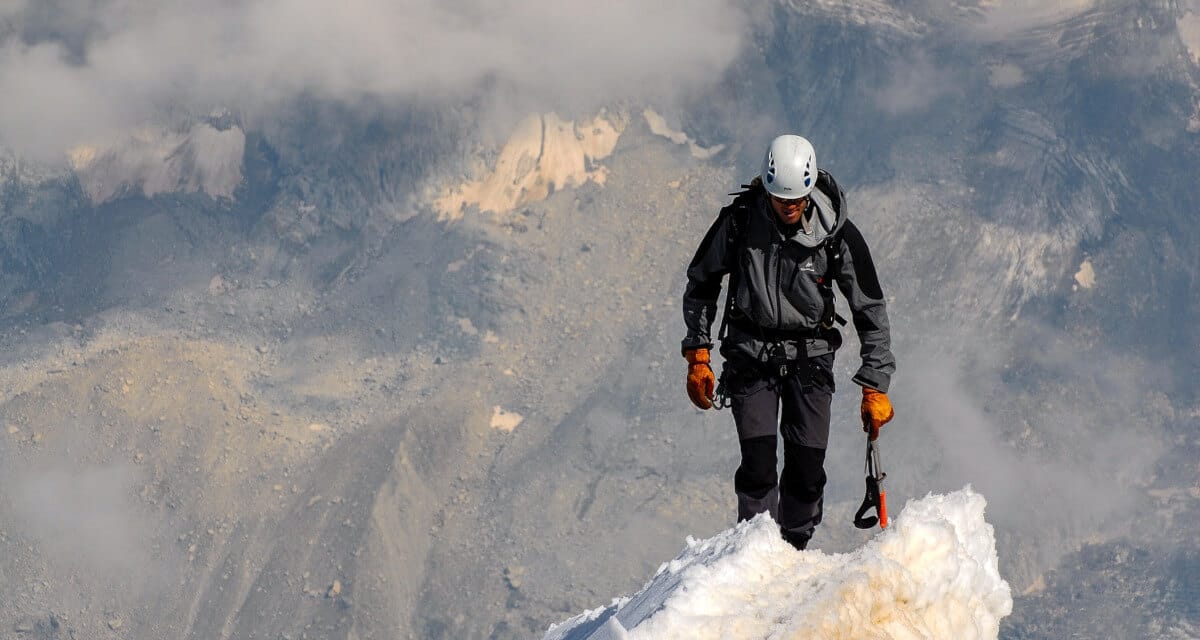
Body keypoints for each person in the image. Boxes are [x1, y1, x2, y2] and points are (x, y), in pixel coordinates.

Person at [680, 134, 896, 550]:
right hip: (750, 356)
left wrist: (875, 384)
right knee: (758, 465)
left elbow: (870, 309)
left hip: (810, 358)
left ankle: (794, 548)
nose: (789, 208)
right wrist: (699, 354)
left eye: (796, 200)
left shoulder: (836, 234)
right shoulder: (741, 221)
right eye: (781, 200)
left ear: (810, 190)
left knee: (806, 470)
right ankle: (755, 554)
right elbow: (702, 280)